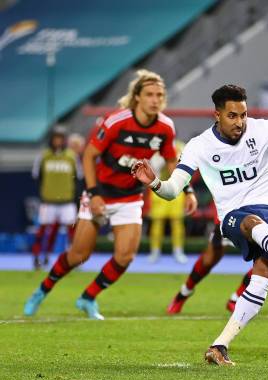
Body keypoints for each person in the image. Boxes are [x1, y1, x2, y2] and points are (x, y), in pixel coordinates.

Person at [132, 84, 268, 365]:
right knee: (249, 224)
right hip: (234, 215)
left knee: (263, 275)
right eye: (233, 116)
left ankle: (219, 346)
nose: (240, 122)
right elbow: (173, 189)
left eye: (243, 115)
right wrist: (154, 182)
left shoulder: (263, 129)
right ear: (217, 115)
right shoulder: (199, 146)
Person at [24, 69, 197, 320]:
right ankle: (42, 290)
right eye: (149, 94)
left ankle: (88, 297)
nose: (155, 99)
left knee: (125, 256)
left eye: (160, 94)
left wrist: (188, 190)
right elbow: (89, 155)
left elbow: (172, 160)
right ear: (137, 97)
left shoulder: (165, 127)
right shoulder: (116, 121)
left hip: (130, 196)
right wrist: (93, 194)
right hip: (101, 193)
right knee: (78, 256)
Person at [165, 161, 268, 314]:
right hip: (234, 215)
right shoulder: (236, 162)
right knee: (209, 259)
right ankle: (184, 292)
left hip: (266, 220)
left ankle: (235, 299)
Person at [31, 126, 82, 269]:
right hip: (48, 201)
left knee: (72, 231)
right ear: (51, 139)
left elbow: (78, 177)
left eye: (61, 138)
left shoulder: (71, 156)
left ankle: (74, 259)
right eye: (55, 138)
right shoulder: (44, 156)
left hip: (67, 201)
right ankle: (37, 257)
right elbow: (37, 176)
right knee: (42, 230)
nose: (58, 141)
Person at [148, 140, 191, 264]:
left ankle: (178, 251)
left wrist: (173, 156)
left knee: (177, 223)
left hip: (176, 189)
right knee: (157, 223)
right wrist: (165, 157)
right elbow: (155, 168)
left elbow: (183, 167)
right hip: (158, 188)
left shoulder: (180, 147)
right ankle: (155, 251)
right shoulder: (155, 148)